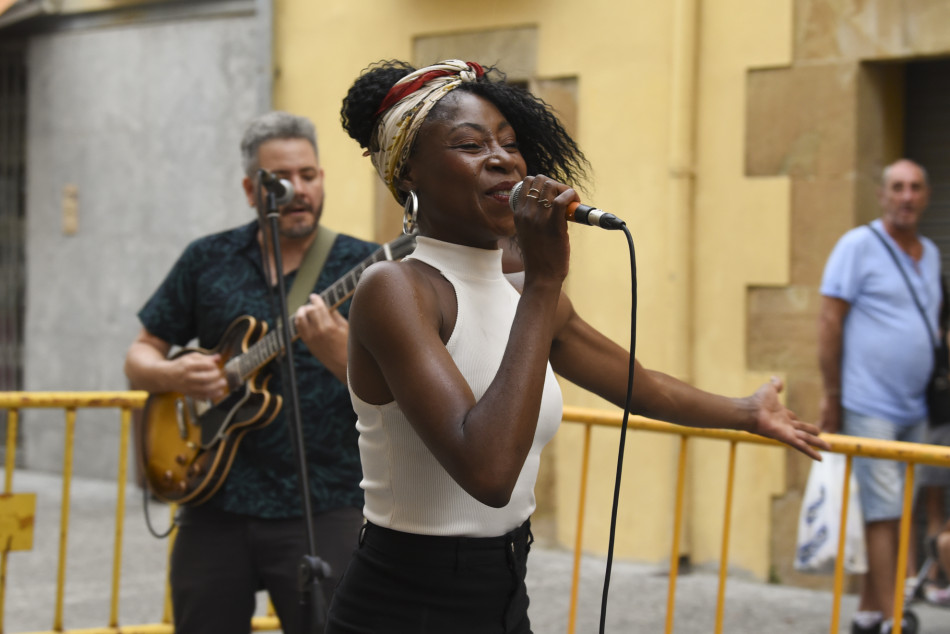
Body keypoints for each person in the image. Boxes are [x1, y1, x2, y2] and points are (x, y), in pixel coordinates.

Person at [325, 58, 829, 634]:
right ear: (408, 172)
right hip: (403, 604)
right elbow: (488, 472)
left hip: (505, 589)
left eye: (509, 143)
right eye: (469, 144)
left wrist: (745, 412)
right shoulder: (397, 289)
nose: (501, 157)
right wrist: (543, 281)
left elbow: (645, 387)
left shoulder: (523, 293)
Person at [123, 111, 378, 634]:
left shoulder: (369, 268)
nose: (298, 189)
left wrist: (337, 349)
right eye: (281, 179)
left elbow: (394, 387)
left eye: (309, 175)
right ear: (250, 189)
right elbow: (139, 356)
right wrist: (173, 377)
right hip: (214, 498)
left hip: (326, 502)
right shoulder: (207, 259)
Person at [818, 159, 939, 634]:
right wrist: (832, 394)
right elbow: (830, 322)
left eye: (915, 187)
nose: (907, 196)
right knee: (884, 510)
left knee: (895, 510)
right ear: (882, 195)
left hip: (916, 405)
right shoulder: (858, 246)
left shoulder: (927, 253)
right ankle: (893, 619)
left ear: (925, 196)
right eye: (898, 188)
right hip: (869, 404)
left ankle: (869, 612)